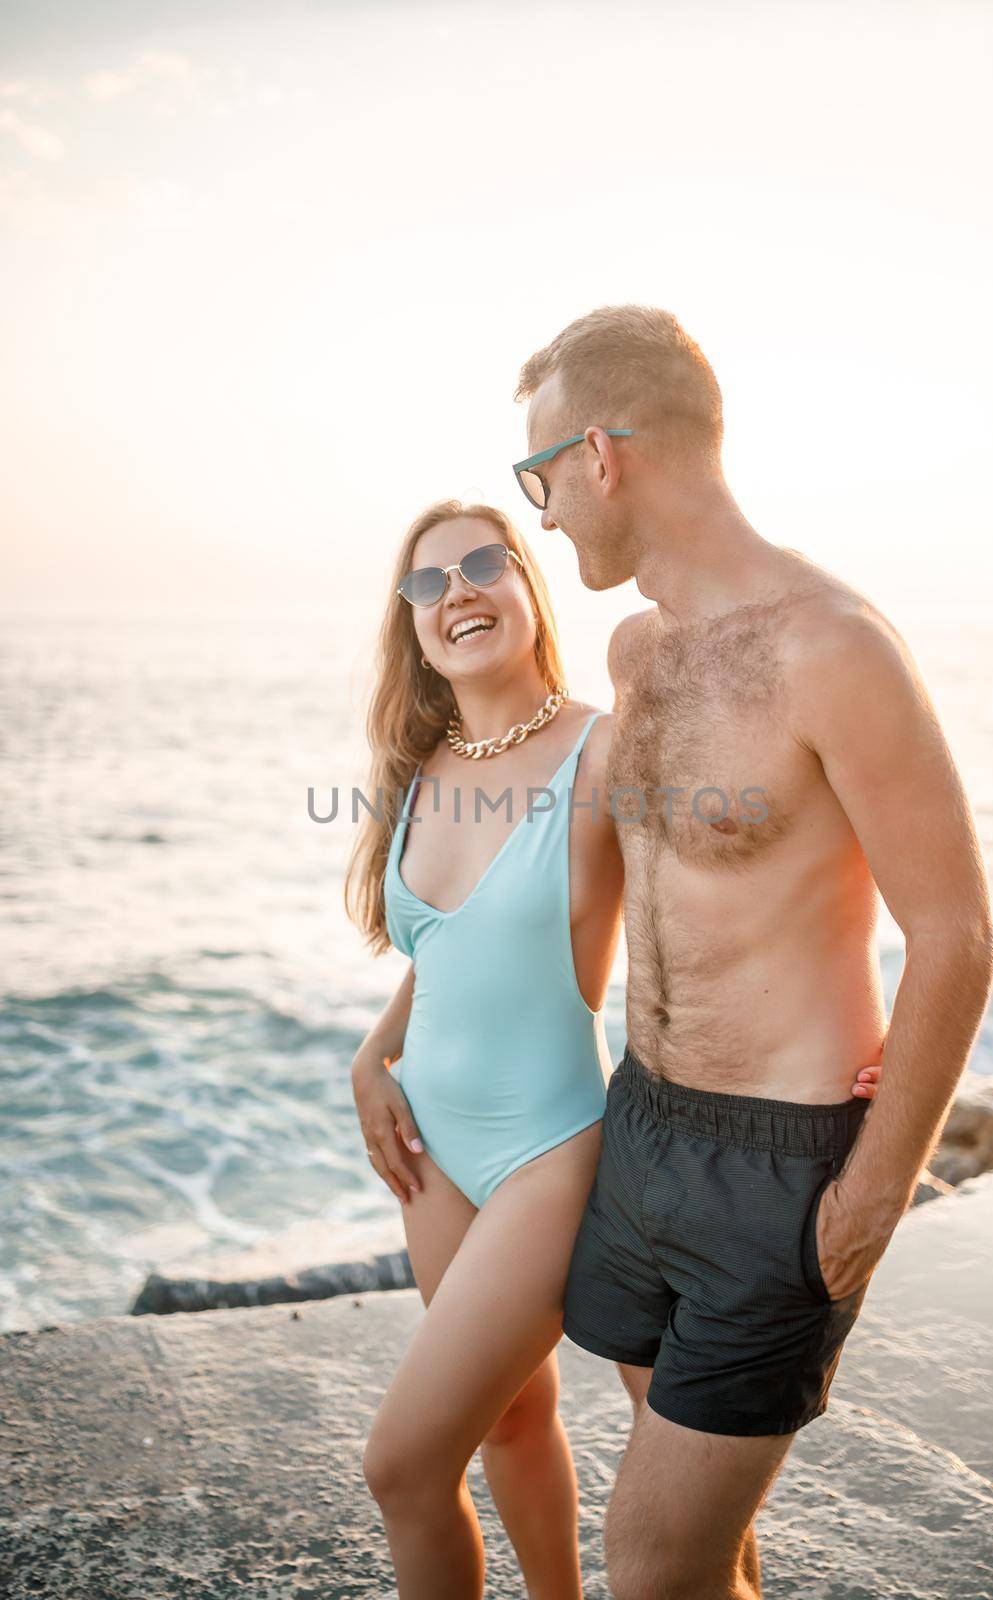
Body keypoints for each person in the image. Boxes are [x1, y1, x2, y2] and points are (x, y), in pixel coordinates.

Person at [511, 304, 993, 1600]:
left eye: (537, 473)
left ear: (602, 456)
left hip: (776, 1168)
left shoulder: (829, 649)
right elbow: (595, 900)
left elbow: (951, 934)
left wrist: (872, 1194)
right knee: (705, 1551)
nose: (540, 512)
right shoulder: (639, 651)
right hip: (642, 1133)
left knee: (648, 1560)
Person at [344, 497, 884, 1600]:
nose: (457, 594)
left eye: (482, 565)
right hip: (430, 1155)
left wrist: (843, 1037)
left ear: (525, 590)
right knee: (508, 1419)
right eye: (427, 584)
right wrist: (371, 1055)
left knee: (400, 1465)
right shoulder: (422, 766)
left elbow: (740, 883)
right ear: (409, 628)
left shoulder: (604, 746)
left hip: (548, 1153)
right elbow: (448, 946)